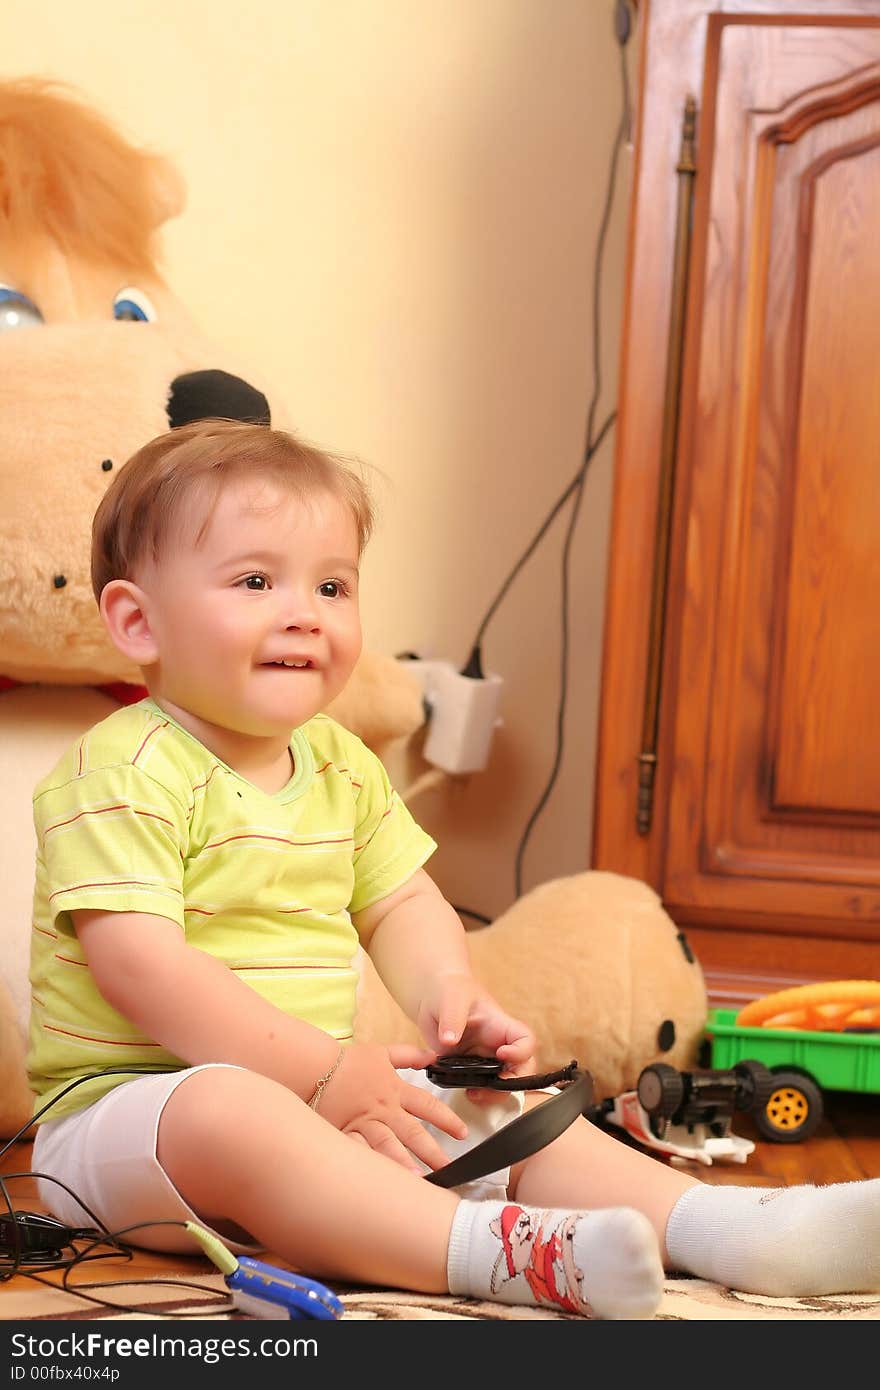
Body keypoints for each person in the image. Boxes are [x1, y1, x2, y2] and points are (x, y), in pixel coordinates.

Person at [27, 419, 880, 1321]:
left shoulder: (340, 764)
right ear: (137, 620)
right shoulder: (119, 771)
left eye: (332, 585)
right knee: (231, 1109)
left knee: (483, 1110)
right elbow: (141, 968)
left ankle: (730, 1229)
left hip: (315, 1088)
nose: (305, 612)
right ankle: (500, 1254)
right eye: (254, 581)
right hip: (122, 1125)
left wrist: (449, 992)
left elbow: (401, 901)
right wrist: (322, 1076)